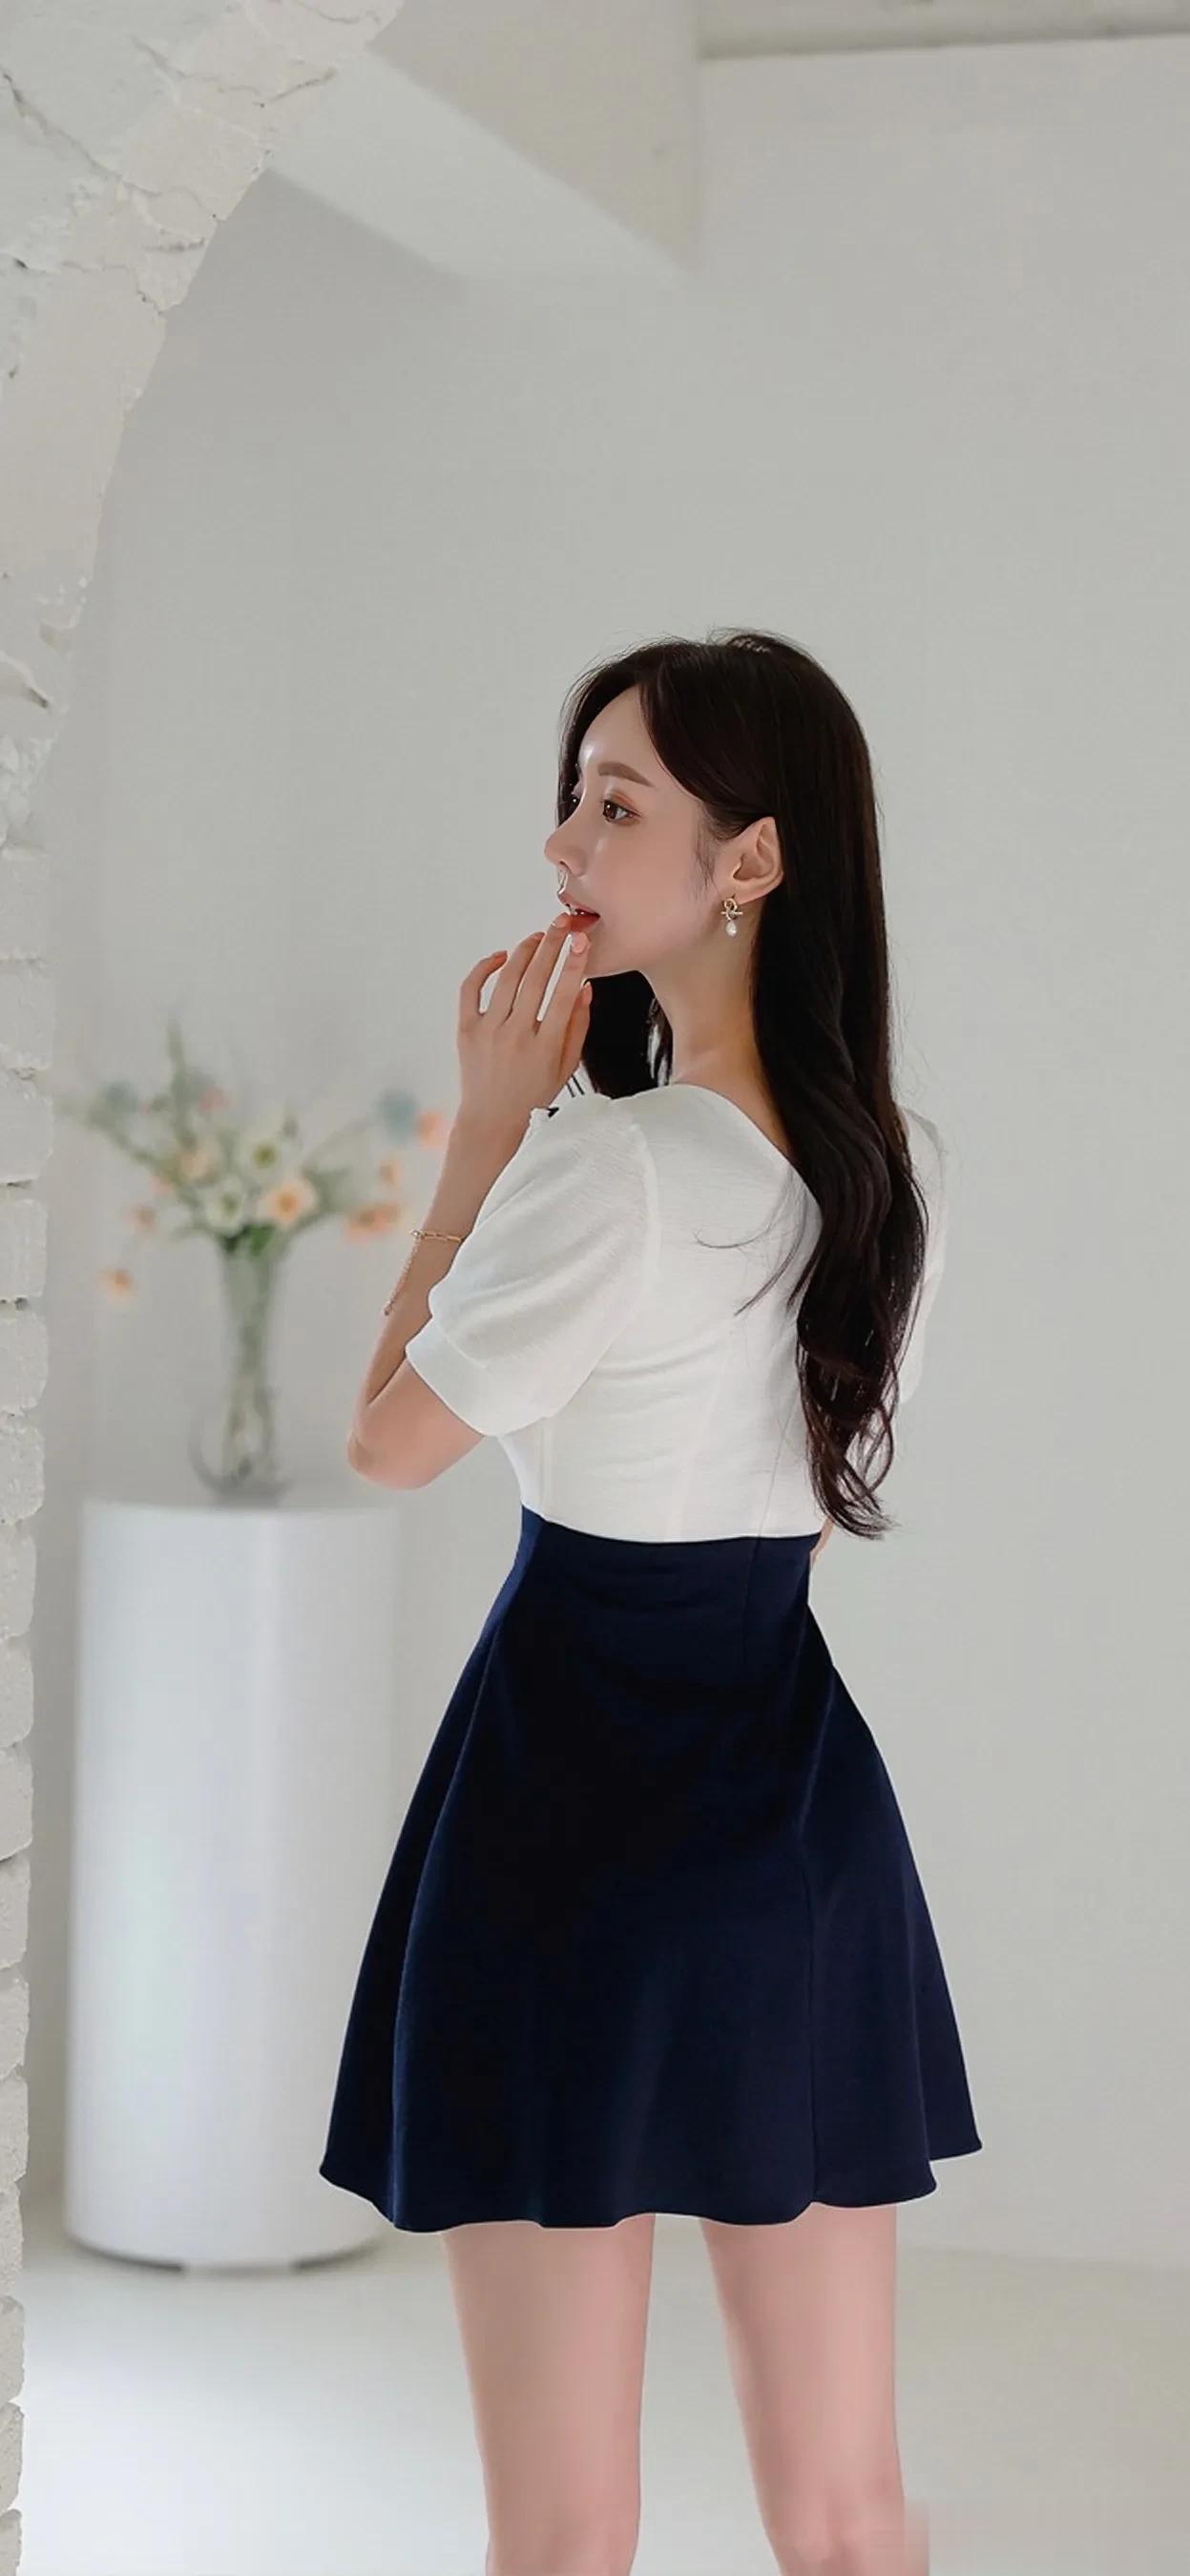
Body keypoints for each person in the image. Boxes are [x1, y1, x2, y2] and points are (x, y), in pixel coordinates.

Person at [320, 628, 981, 2576]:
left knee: (561, 2535)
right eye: (573, 799)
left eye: (616, 806)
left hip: (570, 1819)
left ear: (751, 860)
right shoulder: (889, 1179)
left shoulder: (604, 1171)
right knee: (849, 2509)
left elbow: (387, 1444)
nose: (564, 848)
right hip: (797, 1822)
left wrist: (480, 1139)